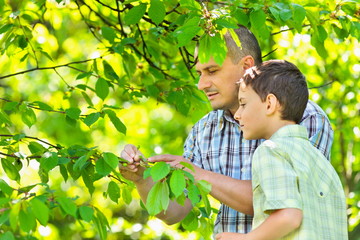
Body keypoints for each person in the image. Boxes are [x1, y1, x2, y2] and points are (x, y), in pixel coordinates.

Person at [119, 25, 334, 234]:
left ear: (246, 66)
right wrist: (142, 179)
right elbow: (175, 212)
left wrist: (196, 173)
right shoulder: (204, 129)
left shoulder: (304, 118)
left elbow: (280, 202)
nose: (202, 84)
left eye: (212, 70)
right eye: (199, 73)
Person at [215, 60, 347, 240]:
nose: (237, 114)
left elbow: (289, 216)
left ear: (270, 103)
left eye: (243, 104)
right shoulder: (320, 162)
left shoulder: (271, 150)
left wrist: (245, 238)